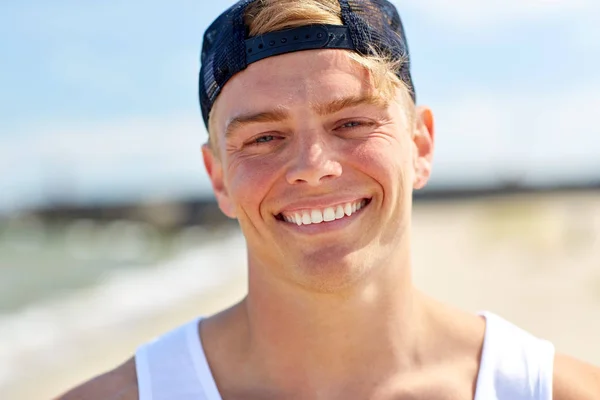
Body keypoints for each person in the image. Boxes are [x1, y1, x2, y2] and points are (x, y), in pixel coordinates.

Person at [57, 0, 600, 399]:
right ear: (217, 176)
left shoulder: (547, 389)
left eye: (352, 122)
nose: (314, 168)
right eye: (264, 138)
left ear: (420, 145)